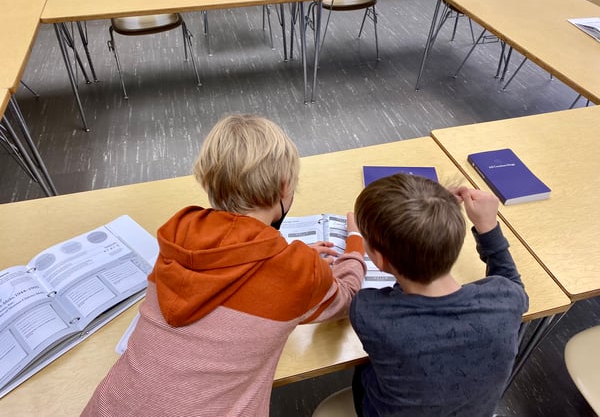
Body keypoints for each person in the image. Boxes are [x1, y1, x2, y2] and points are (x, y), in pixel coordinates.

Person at [81, 114, 366, 417]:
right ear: (285, 187)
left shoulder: (178, 237)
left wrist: (279, 258)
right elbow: (345, 297)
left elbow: (227, 262)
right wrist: (355, 240)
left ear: (208, 179)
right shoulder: (297, 272)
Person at [349, 173, 529, 417]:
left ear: (379, 259)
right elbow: (513, 283)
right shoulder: (506, 300)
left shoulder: (367, 310)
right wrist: (488, 226)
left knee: (363, 371)